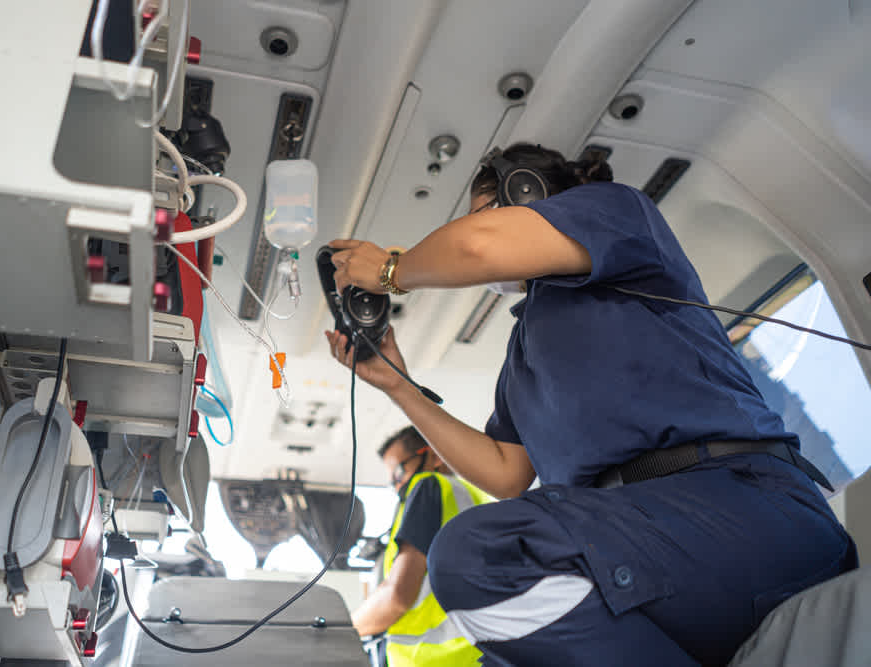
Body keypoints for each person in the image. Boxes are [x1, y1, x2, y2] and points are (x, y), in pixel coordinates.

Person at [325, 143, 857, 666]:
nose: (466, 230)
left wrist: (392, 269)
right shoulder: (523, 351)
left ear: (527, 192)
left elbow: (479, 246)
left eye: (480, 214)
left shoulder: (617, 212)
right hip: (641, 543)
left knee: (486, 555)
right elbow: (506, 472)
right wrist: (399, 385)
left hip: (737, 511)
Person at [351, 426, 492, 666]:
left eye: (399, 472)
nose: (397, 485)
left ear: (435, 455)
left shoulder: (428, 486)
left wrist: (343, 627)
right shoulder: (478, 498)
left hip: (435, 660)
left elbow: (397, 596)